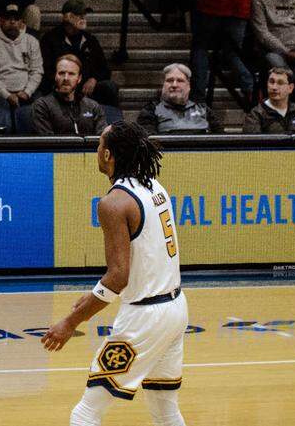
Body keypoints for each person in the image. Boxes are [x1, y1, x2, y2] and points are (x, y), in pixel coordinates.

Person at [44, 122, 189, 426]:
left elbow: (118, 277)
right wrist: (94, 295)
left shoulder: (113, 204)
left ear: (108, 155)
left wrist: (70, 322)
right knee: (165, 410)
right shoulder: (155, 186)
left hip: (145, 318)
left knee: (85, 413)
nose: (97, 150)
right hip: (175, 308)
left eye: (99, 144)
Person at [40, 0, 118, 106]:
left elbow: (104, 69)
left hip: (87, 89)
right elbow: (47, 71)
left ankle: (110, 117)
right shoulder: (50, 39)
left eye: (84, 15)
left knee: (109, 87)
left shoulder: (90, 40)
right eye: (78, 15)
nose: (83, 18)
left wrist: (94, 79)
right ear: (67, 17)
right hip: (62, 86)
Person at [0, 4, 43, 109]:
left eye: (16, 19)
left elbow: (37, 71)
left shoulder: (31, 41)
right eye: (8, 18)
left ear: (22, 22)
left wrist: (27, 92)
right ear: (0, 21)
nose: (12, 22)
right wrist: (7, 95)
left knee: (40, 103)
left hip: (26, 92)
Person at [32, 55, 107, 135]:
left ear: (79, 78)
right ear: (55, 76)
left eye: (71, 74)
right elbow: (47, 140)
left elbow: (103, 138)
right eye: (61, 73)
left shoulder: (93, 107)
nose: (66, 78)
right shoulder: (42, 106)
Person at [137, 64, 222, 134]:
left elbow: (222, 138)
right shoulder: (151, 110)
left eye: (180, 81)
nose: (174, 85)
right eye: (170, 80)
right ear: (163, 85)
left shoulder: (204, 109)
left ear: (188, 85)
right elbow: (148, 142)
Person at [242, 67, 295, 134]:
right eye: (271, 82)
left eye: (280, 83)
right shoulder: (255, 115)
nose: (274, 87)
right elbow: (253, 146)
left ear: (290, 88)